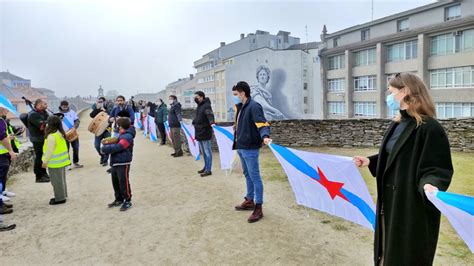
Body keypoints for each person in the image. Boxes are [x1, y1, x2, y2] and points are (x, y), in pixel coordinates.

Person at [353, 73, 453, 265]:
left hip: (410, 207)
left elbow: (437, 167)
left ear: (405, 92)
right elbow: (394, 155)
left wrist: (431, 183)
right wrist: (370, 161)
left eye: (391, 92)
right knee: (386, 253)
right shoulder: (398, 123)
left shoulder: (429, 128)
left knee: (406, 256)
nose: (388, 96)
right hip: (389, 205)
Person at [232, 81, 272, 223]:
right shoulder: (241, 107)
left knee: (255, 177)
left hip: (250, 148)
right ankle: (249, 200)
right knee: (247, 174)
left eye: (236, 94)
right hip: (241, 146)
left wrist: (265, 136)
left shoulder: (254, 106)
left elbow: (262, 124)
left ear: (243, 93)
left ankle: (258, 207)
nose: (235, 97)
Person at [101, 117, 135, 211]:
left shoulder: (127, 136)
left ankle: (127, 200)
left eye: (117, 125)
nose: (116, 126)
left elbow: (120, 146)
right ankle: (118, 198)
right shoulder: (122, 134)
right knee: (115, 182)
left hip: (123, 162)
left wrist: (105, 148)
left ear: (120, 126)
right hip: (116, 162)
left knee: (123, 182)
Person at [42, 115, 71, 205]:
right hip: (61, 162)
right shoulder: (60, 133)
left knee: (56, 181)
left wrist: (45, 162)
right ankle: (63, 195)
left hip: (54, 163)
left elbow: (49, 151)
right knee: (61, 180)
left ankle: (60, 198)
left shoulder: (51, 137)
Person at [192, 91, 215, 177]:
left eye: (197, 97)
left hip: (205, 132)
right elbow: (199, 117)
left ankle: (208, 170)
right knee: (204, 152)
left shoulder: (206, 106)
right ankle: (205, 167)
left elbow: (210, 116)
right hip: (199, 132)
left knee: (207, 152)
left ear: (201, 97)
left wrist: (212, 123)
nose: (196, 98)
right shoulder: (199, 106)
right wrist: (194, 121)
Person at [27, 98, 50, 183]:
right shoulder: (33, 114)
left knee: (44, 158)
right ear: (39, 104)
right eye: (45, 104)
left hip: (43, 138)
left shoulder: (43, 112)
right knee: (39, 157)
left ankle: (44, 173)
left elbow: (48, 121)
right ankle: (38, 176)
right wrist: (50, 121)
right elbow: (42, 126)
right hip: (37, 139)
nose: (46, 106)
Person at [0, 107, 18, 216]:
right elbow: (2, 138)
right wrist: (11, 151)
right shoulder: (0, 122)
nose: (7, 111)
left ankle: (1, 203)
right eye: (5, 109)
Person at [58, 100, 83, 169]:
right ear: (61, 106)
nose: (65, 108)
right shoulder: (57, 114)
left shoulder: (72, 112)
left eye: (66, 106)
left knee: (76, 148)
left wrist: (75, 127)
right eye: (63, 106)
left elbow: (77, 120)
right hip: (64, 134)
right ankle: (67, 164)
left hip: (73, 132)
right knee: (66, 150)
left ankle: (76, 162)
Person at [90, 97, 111, 166]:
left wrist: (104, 110)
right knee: (96, 145)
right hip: (98, 130)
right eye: (99, 101)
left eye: (102, 101)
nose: (101, 102)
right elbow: (91, 115)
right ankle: (102, 155)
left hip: (107, 129)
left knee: (107, 145)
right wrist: (97, 109)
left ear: (104, 102)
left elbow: (111, 115)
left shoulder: (109, 106)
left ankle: (105, 160)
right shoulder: (96, 108)